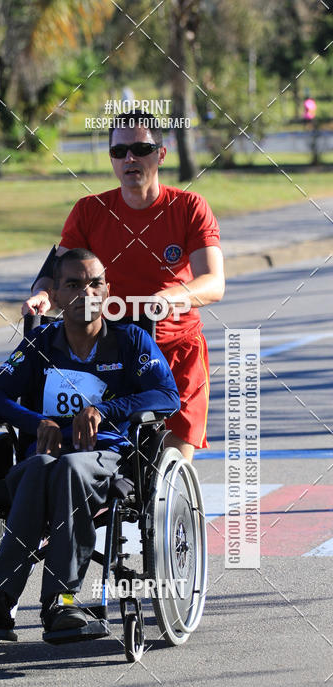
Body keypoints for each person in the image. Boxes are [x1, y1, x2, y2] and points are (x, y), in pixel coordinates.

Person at [0, 248, 179, 636]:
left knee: (68, 468)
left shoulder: (129, 340)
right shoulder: (41, 344)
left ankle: (61, 600)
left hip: (103, 460)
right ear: (54, 294)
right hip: (43, 460)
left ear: (108, 291)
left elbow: (166, 396)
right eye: (73, 285)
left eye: (95, 284)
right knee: (39, 466)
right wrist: (38, 423)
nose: (86, 293)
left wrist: (105, 410)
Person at [23, 112, 225, 462]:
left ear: (161, 154)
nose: (130, 159)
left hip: (174, 350)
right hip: (106, 357)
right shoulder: (90, 211)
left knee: (170, 465)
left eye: (140, 148)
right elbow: (57, 271)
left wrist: (170, 297)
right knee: (93, 458)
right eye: (119, 152)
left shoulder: (190, 207)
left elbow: (213, 282)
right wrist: (42, 295)